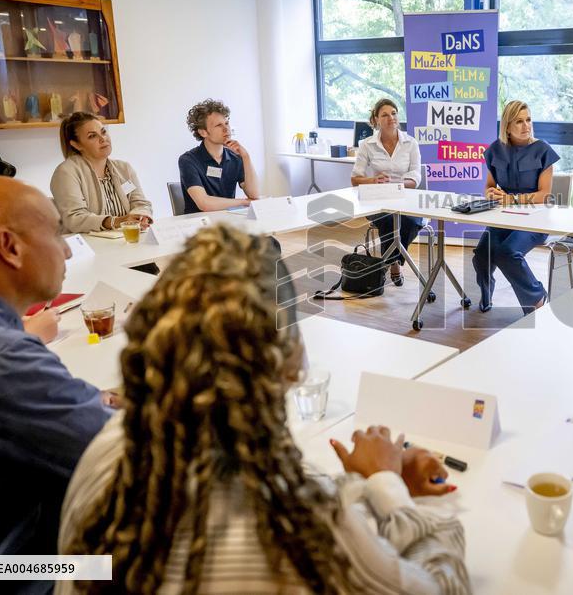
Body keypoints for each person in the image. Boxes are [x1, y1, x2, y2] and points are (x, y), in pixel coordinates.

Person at [59, 224, 468, 594]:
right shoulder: (296, 524)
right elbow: (439, 586)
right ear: (289, 358)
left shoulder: (109, 449)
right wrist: (388, 487)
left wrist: (361, 491)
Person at [0, 177, 112, 592]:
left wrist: (91, 402)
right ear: (9, 246)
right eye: (58, 232)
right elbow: (125, 457)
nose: (64, 249)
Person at [472, 100, 559, 314]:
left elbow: (545, 195)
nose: (525, 126)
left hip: (535, 219)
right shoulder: (495, 149)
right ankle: (486, 292)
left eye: (528, 120)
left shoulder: (543, 149)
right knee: (481, 256)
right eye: (519, 121)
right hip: (503, 217)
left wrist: (513, 199)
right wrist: (491, 193)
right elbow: (489, 186)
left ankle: (537, 297)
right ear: (507, 126)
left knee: (507, 253)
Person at [351, 98, 423, 285]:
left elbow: (416, 177)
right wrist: (373, 180)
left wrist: (398, 182)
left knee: (412, 221)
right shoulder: (367, 144)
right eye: (385, 114)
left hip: (406, 197)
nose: (391, 117)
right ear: (376, 120)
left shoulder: (410, 143)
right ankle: (394, 264)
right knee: (387, 220)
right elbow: (355, 178)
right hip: (379, 199)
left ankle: (392, 261)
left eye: (393, 113)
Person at [51, 112, 153, 234]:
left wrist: (141, 216)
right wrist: (117, 221)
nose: (103, 138)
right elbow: (75, 219)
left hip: (125, 240)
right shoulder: (66, 172)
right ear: (76, 145)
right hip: (90, 247)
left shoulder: (124, 169)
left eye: (103, 132)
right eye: (92, 136)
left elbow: (140, 203)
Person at [179, 98, 259, 213]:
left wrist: (246, 157)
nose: (226, 129)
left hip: (228, 220)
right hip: (200, 224)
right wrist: (244, 202)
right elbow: (204, 204)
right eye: (219, 125)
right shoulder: (188, 160)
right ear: (203, 132)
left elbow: (254, 194)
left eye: (226, 123)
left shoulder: (235, 157)